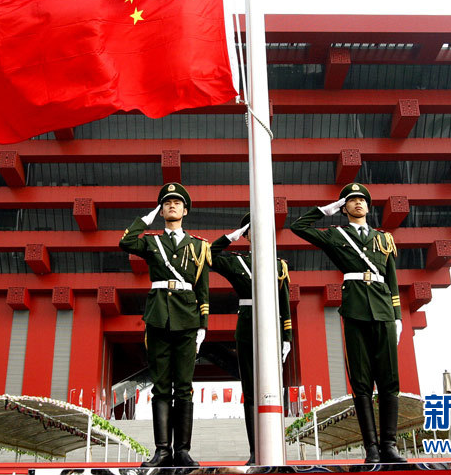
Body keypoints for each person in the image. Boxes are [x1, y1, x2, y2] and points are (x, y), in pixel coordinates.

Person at [290, 183, 406, 464]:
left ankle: (389, 445)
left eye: (362, 200)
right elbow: (299, 227)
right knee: (362, 381)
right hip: (355, 310)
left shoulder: (383, 239)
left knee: (389, 380)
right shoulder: (336, 235)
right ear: (343, 208)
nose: (358, 204)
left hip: (384, 311)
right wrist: (323, 211)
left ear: (368, 206)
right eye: (351, 201)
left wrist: (398, 316)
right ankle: (372, 449)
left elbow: (392, 280)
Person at [119, 182, 210, 467]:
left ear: (186, 210)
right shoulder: (151, 242)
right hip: (158, 316)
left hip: (187, 318)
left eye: (177, 202)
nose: (172, 205)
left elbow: (202, 289)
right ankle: (162, 450)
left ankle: (182, 451)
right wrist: (146, 217)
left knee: (183, 386)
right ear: (161, 210)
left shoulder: (199, 246)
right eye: (166, 203)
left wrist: (203, 326)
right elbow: (126, 242)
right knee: (161, 386)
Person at [210, 213, 292, 465]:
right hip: (247, 328)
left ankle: (276, 449)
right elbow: (209, 255)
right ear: (246, 234)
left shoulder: (279, 265)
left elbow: (285, 304)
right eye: (252, 228)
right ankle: (256, 451)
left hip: (273, 328)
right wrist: (232, 235)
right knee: (251, 391)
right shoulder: (237, 262)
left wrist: (286, 337)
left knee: (272, 391)